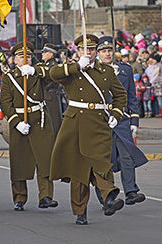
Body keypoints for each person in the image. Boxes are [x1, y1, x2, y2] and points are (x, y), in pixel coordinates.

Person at [49, 34, 127, 225]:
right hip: (75, 123)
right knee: (79, 171)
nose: (89, 53)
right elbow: (53, 74)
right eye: (84, 49)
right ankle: (80, 211)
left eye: (92, 49)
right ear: (78, 51)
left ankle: (109, 198)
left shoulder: (106, 72)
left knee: (101, 162)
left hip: (99, 122)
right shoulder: (71, 70)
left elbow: (120, 95)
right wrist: (77, 66)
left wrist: (116, 115)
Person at [0, 42, 58, 211]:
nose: (25, 59)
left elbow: (53, 73)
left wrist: (35, 71)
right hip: (20, 120)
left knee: (45, 159)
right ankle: (19, 198)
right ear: (14, 60)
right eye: (21, 57)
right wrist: (16, 123)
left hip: (39, 120)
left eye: (28, 57)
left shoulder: (37, 73)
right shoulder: (9, 77)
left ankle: (46, 196)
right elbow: (5, 103)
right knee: (19, 161)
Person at [96, 37, 148, 206]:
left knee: (127, 156)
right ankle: (106, 196)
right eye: (103, 51)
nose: (107, 54)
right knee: (104, 161)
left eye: (109, 50)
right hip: (101, 120)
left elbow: (131, 97)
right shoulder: (92, 71)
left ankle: (131, 191)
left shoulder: (125, 70)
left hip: (121, 120)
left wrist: (134, 120)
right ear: (98, 54)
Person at [41, 43, 63, 138]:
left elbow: (49, 81)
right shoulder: (46, 65)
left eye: (45, 52)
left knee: (53, 123)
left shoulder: (52, 66)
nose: (42, 54)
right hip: (47, 96)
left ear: (51, 54)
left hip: (50, 96)